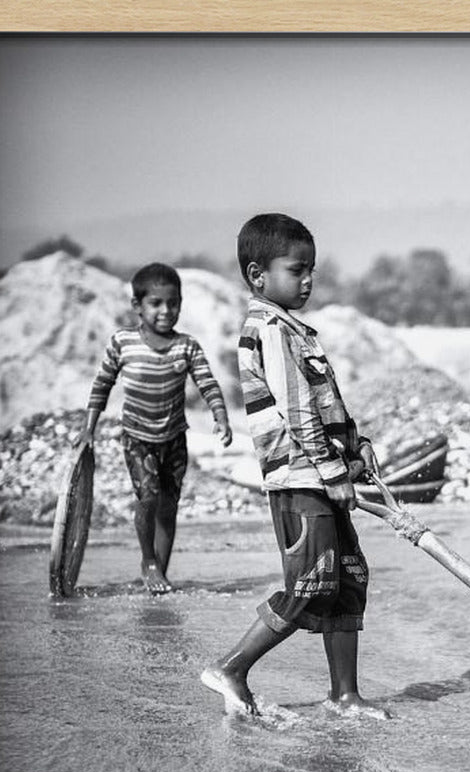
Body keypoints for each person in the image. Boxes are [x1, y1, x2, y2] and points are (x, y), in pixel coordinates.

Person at [200, 212, 386, 719]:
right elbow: (299, 413)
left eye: (311, 271)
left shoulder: (296, 330)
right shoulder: (269, 330)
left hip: (324, 475)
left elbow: (327, 403)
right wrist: (332, 474)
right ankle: (232, 668)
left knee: (349, 579)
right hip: (300, 483)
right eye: (296, 270)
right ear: (258, 275)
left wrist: (355, 447)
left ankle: (344, 694)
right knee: (311, 586)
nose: (307, 281)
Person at [80, 262, 232, 594]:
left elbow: (207, 382)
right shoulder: (123, 343)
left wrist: (220, 415)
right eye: (156, 303)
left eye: (173, 303)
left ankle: (159, 573)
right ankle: (148, 561)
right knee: (147, 499)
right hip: (138, 439)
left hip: (175, 439)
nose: (166, 311)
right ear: (138, 306)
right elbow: (102, 384)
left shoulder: (186, 346)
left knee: (169, 505)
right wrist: (88, 428)